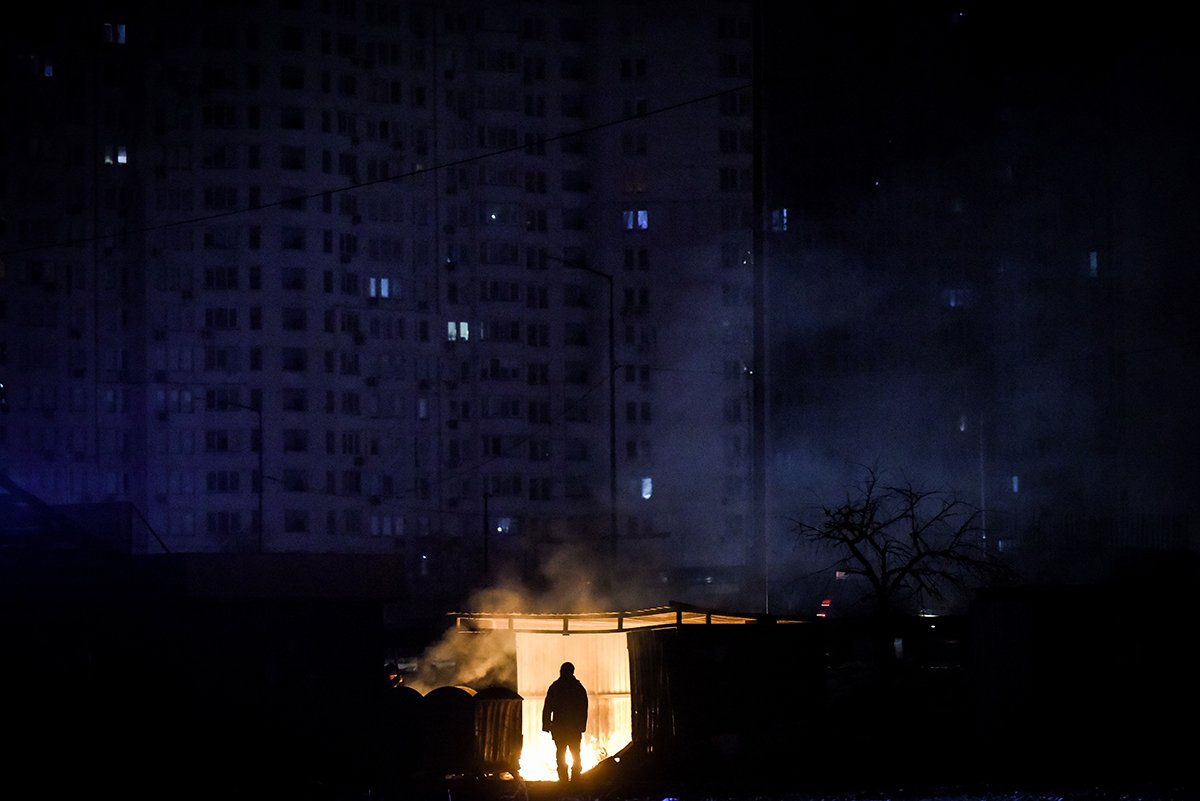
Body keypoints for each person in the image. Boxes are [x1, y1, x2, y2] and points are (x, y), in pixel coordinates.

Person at [541, 661, 588, 783]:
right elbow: (583, 708)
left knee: (561, 753)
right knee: (575, 753)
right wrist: (582, 726)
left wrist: (546, 725)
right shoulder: (578, 688)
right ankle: (576, 779)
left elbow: (548, 707)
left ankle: (563, 780)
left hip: (559, 728)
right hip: (573, 728)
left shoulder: (555, 687)